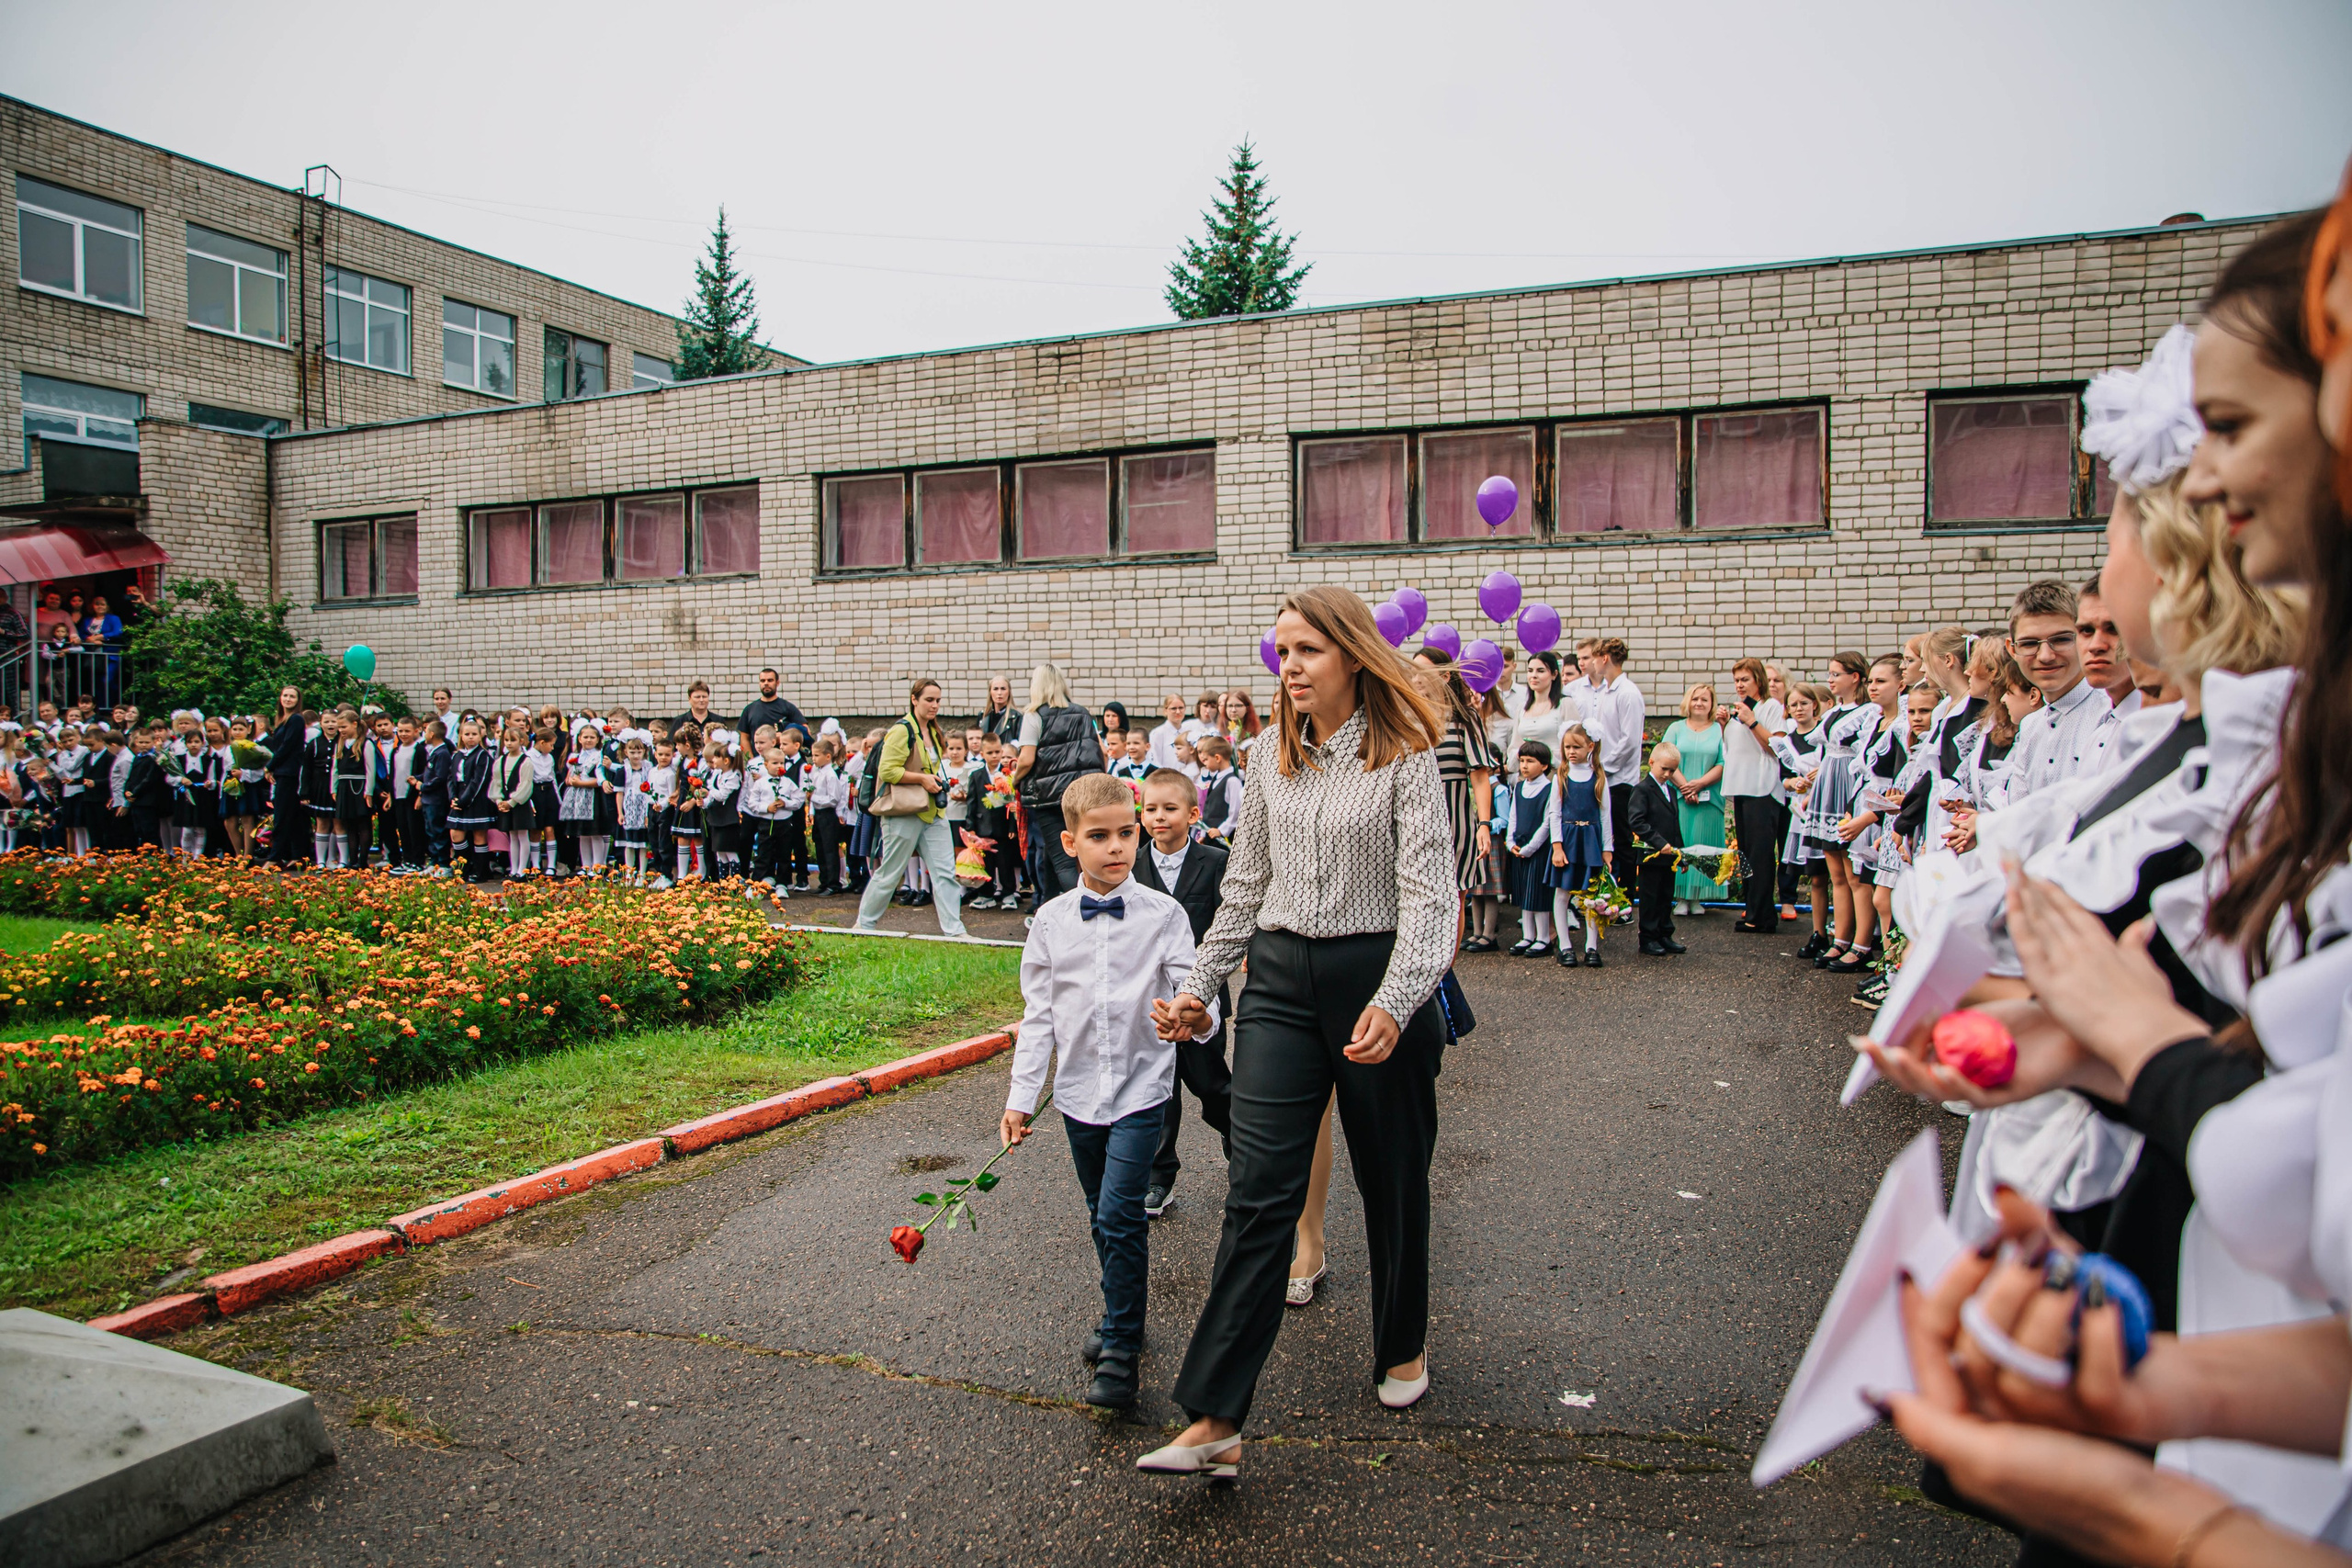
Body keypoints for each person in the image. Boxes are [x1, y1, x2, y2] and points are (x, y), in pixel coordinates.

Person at [1141, 586, 1451, 1482]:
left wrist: (1396, 1003)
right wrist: (1199, 990)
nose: (1291, 667)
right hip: (1276, 981)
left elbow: (1431, 903)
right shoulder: (1262, 755)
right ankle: (1215, 1416)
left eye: (1308, 650)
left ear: (1353, 654)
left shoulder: (1406, 752)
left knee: (1392, 1180)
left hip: (1376, 982)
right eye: (1282, 652)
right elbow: (1243, 889)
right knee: (1259, 1188)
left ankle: (1400, 1346)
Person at [1001, 772, 1217, 1411]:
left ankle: (1122, 1345)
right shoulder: (1049, 922)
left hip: (1141, 1089)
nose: (1117, 846)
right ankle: (1124, 1308)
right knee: (1102, 1215)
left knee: (1122, 1211)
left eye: (1126, 832)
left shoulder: (1164, 914)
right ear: (1069, 842)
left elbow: (1194, 993)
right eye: (1099, 836)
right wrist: (1019, 1096)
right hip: (1075, 1095)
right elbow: (1038, 1016)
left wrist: (1194, 1017)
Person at [1134, 766, 1233, 1221]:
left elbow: (1228, 924)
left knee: (1211, 1085)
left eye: (1169, 809)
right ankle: (1159, 1176)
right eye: (1150, 809)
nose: (1158, 817)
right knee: (1160, 1092)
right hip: (1150, 1004)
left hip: (1201, 1004)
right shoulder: (1132, 866)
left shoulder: (1215, 862)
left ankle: (1243, 1149)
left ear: (1193, 814)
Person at [854, 678, 966, 938]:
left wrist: (933, 780)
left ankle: (955, 931)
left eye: (938, 700)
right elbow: (888, 771)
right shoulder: (902, 730)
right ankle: (864, 925)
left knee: (946, 874)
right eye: (929, 700)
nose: (934, 705)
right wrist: (923, 779)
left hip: (932, 812)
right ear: (914, 699)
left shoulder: (934, 731)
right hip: (904, 811)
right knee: (891, 872)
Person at [2007, 580, 2119, 798]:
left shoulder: (2110, 713)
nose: (2046, 656)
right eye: (2029, 643)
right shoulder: (2030, 726)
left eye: (2061, 640)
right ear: (2012, 650)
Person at [1009, 664, 1102, 906]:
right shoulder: (1083, 713)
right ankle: (1048, 906)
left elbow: (1027, 758)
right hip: (1083, 795)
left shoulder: (1034, 715)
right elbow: (1101, 751)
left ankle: (1087, 906)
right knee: (1057, 854)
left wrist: (1015, 779)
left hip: (1048, 797)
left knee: (1061, 859)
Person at [1719, 658, 1790, 933]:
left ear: (1758, 680)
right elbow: (1735, 749)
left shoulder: (1770, 707)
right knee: (1746, 853)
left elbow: (1775, 747)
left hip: (1763, 787)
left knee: (1761, 854)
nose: (1739, 685)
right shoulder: (1742, 709)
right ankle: (1751, 907)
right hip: (1741, 786)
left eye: (1745, 679)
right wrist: (1726, 725)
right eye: (1736, 680)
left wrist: (1752, 721)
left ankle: (1763, 916)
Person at [1545, 723, 1612, 967]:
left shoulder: (1599, 778)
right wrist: (1557, 846)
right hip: (1569, 840)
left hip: (1591, 841)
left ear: (1590, 747)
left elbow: (1606, 816)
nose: (1571, 751)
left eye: (1577, 746)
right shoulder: (1561, 777)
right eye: (1567, 747)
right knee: (1562, 893)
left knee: (1592, 896)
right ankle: (1565, 946)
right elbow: (1555, 814)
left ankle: (1592, 947)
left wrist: (1607, 849)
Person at [1579, 637, 1645, 885]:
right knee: (1606, 837)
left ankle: (1627, 896)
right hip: (1604, 776)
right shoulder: (1607, 691)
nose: (1592, 663)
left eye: (1594, 657)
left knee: (1622, 839)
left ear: (1604, 658)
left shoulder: (1627, 693)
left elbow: (1629, 740)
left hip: (1620, 780)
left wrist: (1604, 766)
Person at [1662, 682, 1727, 916]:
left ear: (1712, 704)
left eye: (1705, 700)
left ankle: (1697, 896)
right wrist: (1686, 787)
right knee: (1682, 845)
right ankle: (1680, 897)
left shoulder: (1720, 730)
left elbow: (1723, 762)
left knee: (1704, 846)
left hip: (1709, 800)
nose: (1699, 703)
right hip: (1680, 798)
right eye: (1695, 698)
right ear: (1687, 702)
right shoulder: (1676, 728)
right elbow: (1666, 756)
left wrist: (1700, 784)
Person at [1629, 742, 1687, 957]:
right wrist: (1659, 842)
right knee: (1650, 897)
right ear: (1651, 762)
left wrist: (1680, 855)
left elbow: (1674, 824)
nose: (1668, 774)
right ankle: (1648, 938)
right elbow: (1637, 821)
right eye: (1664, 769)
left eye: (1672, 770)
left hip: (1668, 857)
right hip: (1651, 855)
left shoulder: (1671, 791)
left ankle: (1664, 933)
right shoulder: (1642, 789)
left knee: (1665, 896)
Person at [1501, 740, 1556, 956]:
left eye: (1530, 761)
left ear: (1544, 765)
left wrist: (1530, 848)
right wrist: (1510, 841)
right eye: (1522, 761)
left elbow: (1547, 823)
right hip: (1519, 847)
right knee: (1524, 894)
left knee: (1538, 895)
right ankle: (1528, 935)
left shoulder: (1550, 789)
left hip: (1538, 850)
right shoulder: (1520, 786)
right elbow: (1513, 815)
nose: (1524, 766)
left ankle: (1543, 938)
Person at [2075, 574, 2142, 716]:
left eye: (2113, 629)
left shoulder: (2170, 725)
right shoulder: (2101, 728)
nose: (2095, 645)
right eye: (2086, 630)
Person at [266, 685, 310, 865]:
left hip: (289, 772)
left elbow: (288, 746)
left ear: (298, 700)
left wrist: (270, 766)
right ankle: (296, 855)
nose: (288, 699)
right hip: (283, 771)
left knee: (282, 815)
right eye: (285, 695)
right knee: (292, 814)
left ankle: (276, 857)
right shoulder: (282, 720)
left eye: (292, 696)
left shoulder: (296, 719)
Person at [1505, 650, 1574, 765]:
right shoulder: (1522, 708)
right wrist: (1521, 754)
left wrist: (1546, 756)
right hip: (1526, 776)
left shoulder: (1566, 704)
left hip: (1555, 774)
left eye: (1540, 671)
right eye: (1530, 671)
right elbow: (1513, 748)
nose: (1534, 676)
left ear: (1554, 674)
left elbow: (1575, 744)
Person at [738, 666, 806, 739]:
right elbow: (744, 737)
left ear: (777, 683)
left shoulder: (787, 707)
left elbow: (805, 730)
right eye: (763, 681)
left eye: (770, 680)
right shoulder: (749, 709)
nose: (766, 683)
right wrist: (748, 750)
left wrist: (785, 737)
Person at [1145, 694, 1188, 772]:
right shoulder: (1157, 733)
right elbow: (1154, 761)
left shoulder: (1188, 733)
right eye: (1173, 708)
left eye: (1181, 708)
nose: (1178, 712)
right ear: (1165, 711)